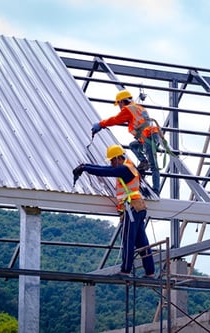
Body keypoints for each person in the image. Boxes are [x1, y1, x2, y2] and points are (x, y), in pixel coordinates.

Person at [72, 144, 155, 278]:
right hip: (138, 207)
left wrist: (85, 168)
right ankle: (150, 272)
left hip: (131, 208)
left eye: (112, 160)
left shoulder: (123, 169)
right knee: (142, 242)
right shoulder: (129, 167)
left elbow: (106, 171)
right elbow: (105, 168)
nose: (111, 163)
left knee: (128, 240)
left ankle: (126, 270)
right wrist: (85, 166)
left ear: (118, 158)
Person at [91, 90, 161, 195]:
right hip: (150, 136)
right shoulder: (139, 107)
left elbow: (116, 119)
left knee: (154, 165)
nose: (119, 107)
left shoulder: (128, 109)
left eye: (119, 104)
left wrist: (101, 124)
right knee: (133, 146)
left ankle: (156, 190)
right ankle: (143, 161)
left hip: (148, 137)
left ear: (122, 102)